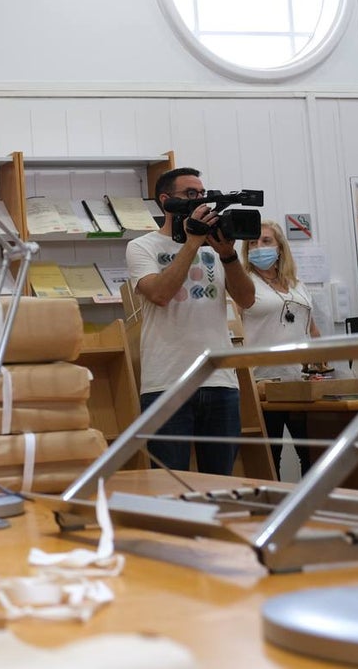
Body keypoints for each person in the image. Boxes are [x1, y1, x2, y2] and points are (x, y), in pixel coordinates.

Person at [126, 167, 255, 475]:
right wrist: (193, 243)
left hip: (220, 382)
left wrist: (228, 256)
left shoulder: (215, 246)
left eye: (202, 193)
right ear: (166, 201)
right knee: (170, 483)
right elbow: (159, 293)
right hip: (167, 383)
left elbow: (247, 300)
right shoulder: (142, 247)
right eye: (191, 194)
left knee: (220, 482)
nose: (201, 200)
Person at [239, 219, 321, 478]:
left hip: (299, 383)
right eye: (253, 242)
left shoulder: (296, 284)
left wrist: (321, 367)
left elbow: (312, 330)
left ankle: (312, 512)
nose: (258, 247)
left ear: (280, 248)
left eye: (265, 241)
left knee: (312, 458)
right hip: (262, 385)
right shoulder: (243, 284)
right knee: (268, 461)